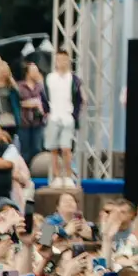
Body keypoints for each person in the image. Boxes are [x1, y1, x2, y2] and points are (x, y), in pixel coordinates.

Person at [40, 53, 79, 187]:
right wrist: (46, 112)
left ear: (68, 61)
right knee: (54, 149)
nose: (61, 62)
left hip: (67, 117)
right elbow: (43, 95)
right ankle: (56, 177)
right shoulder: (50, 78)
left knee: (66, 148)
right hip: (53, 117)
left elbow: (79, 97)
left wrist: (74, 115)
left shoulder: (73, 79)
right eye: (59, 60)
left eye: (64, 60)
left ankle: (68, 176)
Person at [11, 66, 45, 170]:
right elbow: (16, 103)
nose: (36, 73)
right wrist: (29, 103)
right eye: (34, 70)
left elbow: (44, 102)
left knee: (37, 149)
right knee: (25, 151)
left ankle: (36, 171)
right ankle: (25, 171)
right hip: (24, 123)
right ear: (28, 73)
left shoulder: (40, 87)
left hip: (38, 123)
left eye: (37, 70)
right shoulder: (19, 86)